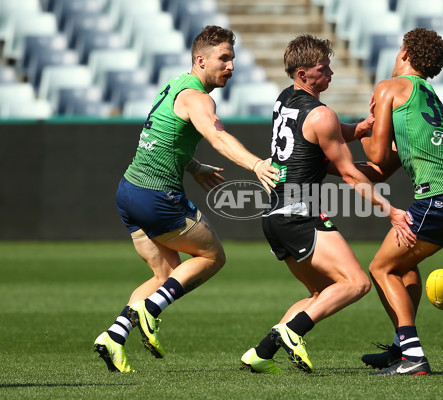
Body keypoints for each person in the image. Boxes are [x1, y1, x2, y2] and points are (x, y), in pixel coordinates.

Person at [93, 25, 279, 373]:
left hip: (129, 191)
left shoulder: (175, 85)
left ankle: (114, 336)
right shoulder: (198, 98)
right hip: (156, 197)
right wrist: (255, 164)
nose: (231, 66)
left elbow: (160, 133)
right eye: (223, 59)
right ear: (201, 60)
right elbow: (218, 137)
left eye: (232, 59)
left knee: (164, 276)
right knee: (213, 256)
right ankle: (152, 311)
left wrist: (193, 166)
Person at [239, 34, 412, 374]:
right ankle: (293, 332)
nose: (330, 73)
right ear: (303, 74)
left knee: (321, 293)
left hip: (273, 215)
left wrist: (360, 128)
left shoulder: (284, 99)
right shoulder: (322, 114)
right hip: (299, 212)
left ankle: (260, 353)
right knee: (356, 283)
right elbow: (349, 174)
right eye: (323, 68)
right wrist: (391, 211)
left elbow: (320, 134)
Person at [356, 27, 443, 376]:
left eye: (399, 49)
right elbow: (385, 169)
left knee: (380, 268)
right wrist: (335, 168)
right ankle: (402, 349)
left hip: (441, 196)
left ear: (406, 54)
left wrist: (365, 127)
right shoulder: (428, 94)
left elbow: (378, 157)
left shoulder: (388, 89)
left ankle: (412, 357)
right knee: (402, 266)